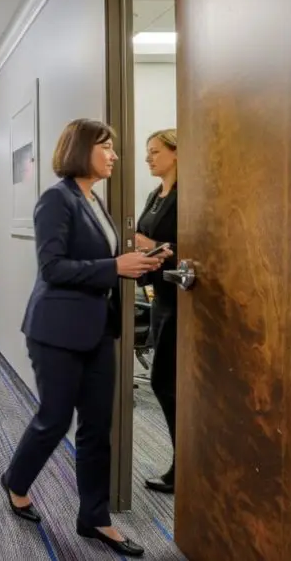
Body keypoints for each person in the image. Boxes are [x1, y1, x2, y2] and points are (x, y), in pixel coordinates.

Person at [0, 119, 169, 558]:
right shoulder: (56, 200)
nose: (114, 155)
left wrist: (140, 260)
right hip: (56, 330)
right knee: (55, 419)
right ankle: (15, 481)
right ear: (81, 150)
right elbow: (53, 268)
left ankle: (95, 518)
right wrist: (115, 267)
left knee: (98, 427)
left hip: (99, 329)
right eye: (106, 147)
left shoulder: (94, 200)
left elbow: (100, 258)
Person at [135, 129, 179, 493]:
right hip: (157, 295)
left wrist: (155, 246)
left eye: (154, 152)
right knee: (165, 383)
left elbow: (196, 248)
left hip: (182, 299)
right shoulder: (155, 194)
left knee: (167, 383)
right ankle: (184, 462)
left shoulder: (186, 195)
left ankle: (184, 465)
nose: (148, 158)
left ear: (177, 153)